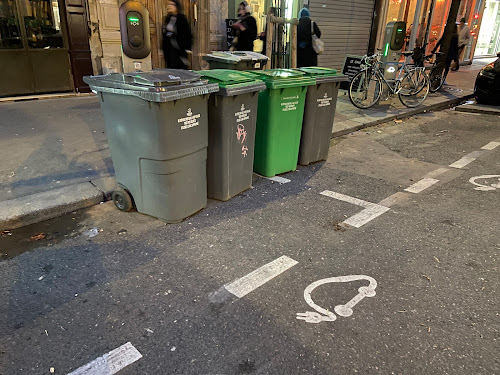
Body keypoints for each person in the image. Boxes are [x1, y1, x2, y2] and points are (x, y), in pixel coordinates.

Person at [162, 0, 192, 69]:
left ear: (176, 6)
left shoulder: (181, 19)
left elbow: (187, 34)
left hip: (179, 50)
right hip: (169, 50)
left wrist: (187, 48)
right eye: (168, 5)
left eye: (171, 5)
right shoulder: (168, 18)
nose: (169, 6)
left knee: (180, 68)